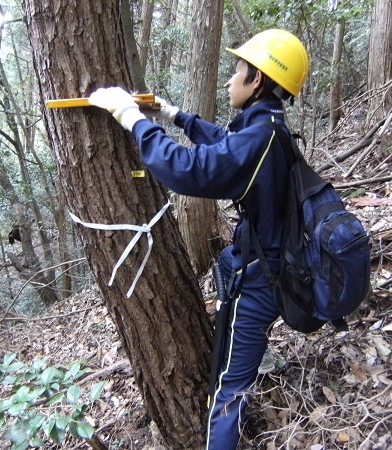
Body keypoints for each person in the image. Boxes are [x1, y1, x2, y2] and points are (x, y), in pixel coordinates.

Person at [89, 28, 309, 450]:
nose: (230, 79)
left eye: (237, 71)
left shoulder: (260, 138)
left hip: (261, 279)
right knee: (226, 367)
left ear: (257, 80)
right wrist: (175, 116)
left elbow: (189, 169)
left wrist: (131, 118)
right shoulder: (269, 127)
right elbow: (226, 146)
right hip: (263, 264)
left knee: (228, 392)